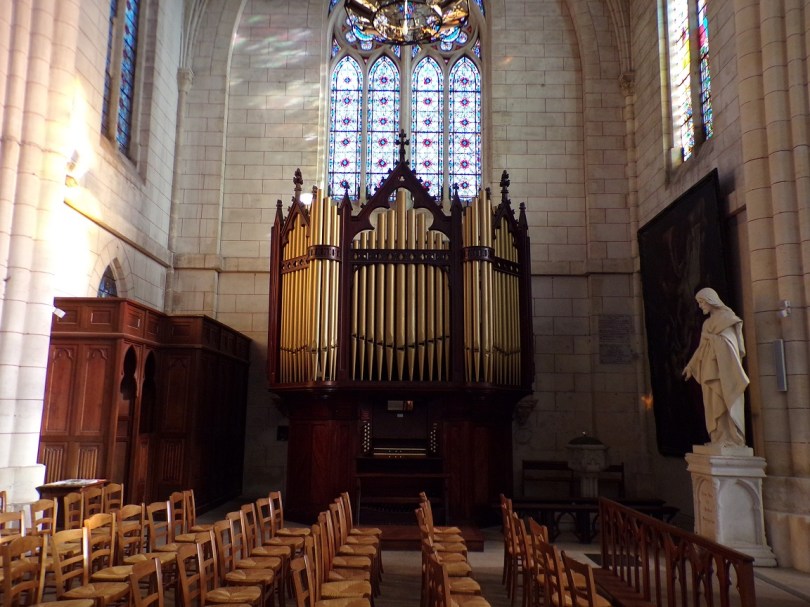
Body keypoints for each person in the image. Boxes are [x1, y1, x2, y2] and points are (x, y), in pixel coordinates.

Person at [683, 287, 749, 446]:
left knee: (724, 400)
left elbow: (730, 345)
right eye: (699, 303)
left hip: (723, 371)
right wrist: (690, 366)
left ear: (711, 300)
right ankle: (719, 437)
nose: (700, 306)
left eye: (702, 302)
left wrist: (711, 338)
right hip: (708, 369)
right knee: (712, 405)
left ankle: (731, 438)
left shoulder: (727, 318)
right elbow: (701, 347)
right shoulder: (707, 323)